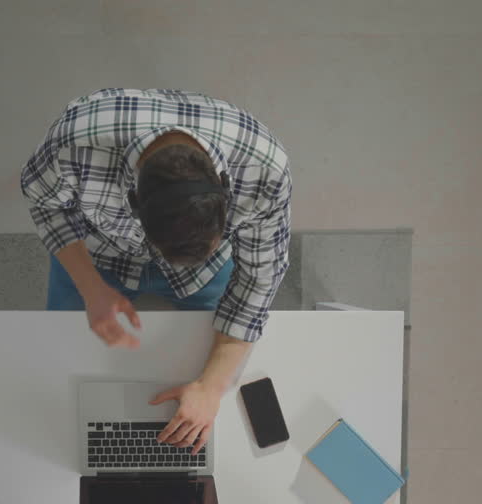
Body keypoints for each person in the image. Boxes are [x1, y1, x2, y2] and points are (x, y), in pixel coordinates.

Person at [20, 88, 292, 456]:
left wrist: (210, 388)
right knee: (61, 376)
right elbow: (46, 204)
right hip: (101, 252)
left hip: (208, 273)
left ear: (226, 192)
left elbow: (258, 279)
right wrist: (89, 286)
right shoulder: (72, 145)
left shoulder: (265, 170)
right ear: (133, 202)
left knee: (211, 369)